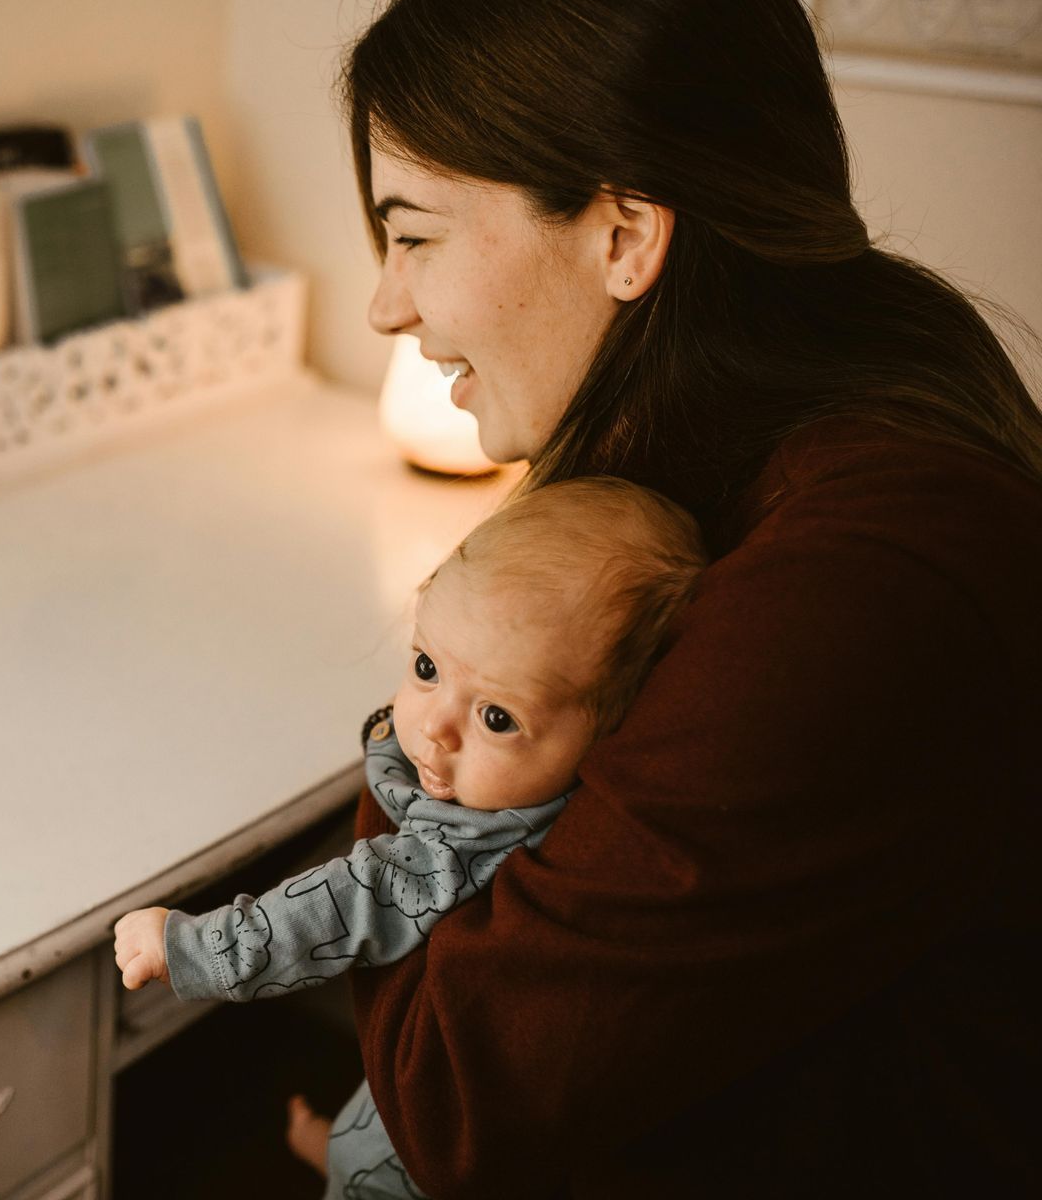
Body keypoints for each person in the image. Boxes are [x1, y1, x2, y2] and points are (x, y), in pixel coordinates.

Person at [320, 0, 1042, 1194]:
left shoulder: (860, 577)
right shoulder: (778, 434)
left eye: (417, 234)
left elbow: (451, 1090)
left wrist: (432, 704)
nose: (388, 302)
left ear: (625, 235)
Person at [114, 477, 707, 1198]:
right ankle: (337, 1151)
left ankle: (345, 1173)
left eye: (497, 718)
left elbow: (338, 909)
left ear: (612, 734)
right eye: (426, 667)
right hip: (428, 1097)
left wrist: (193, 947)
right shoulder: (522, 789)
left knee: (379, 1164)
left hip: (426, 1170)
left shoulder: (461, 847)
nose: (433, 726)